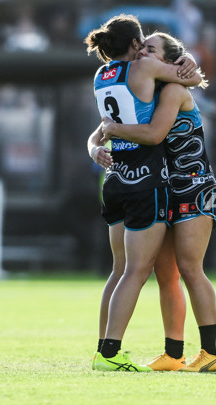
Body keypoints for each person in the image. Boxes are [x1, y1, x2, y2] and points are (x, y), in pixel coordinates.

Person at [84, 14, 202, 372]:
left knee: (119, 269)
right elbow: (193, 79)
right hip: (144, 176)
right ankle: (109, 353)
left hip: (115, 176)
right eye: (143, 44)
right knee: (137, 270)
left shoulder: (100, 76)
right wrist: (189, 62)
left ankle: (102, 347)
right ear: (136, 44)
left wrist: (93, 147)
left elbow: (102, 130)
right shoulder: (144, 69)